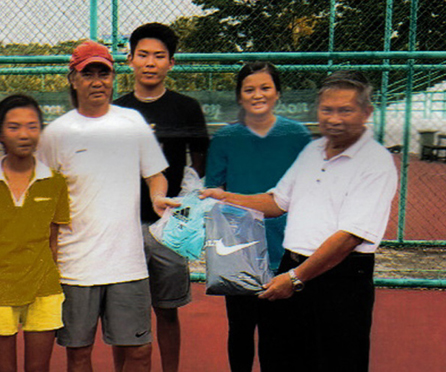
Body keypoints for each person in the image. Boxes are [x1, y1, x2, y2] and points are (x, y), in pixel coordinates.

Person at [201, 70, 398, 372]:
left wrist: (295, 278)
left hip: (339, 280)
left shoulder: (376, 161)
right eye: (327, 109)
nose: (334, 118)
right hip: (294, 273)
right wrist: (223, 197)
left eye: (345, 110)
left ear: (366, 112)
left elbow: (349, 237)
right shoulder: (312, 150)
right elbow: (276, 202)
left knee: (335, 362)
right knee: (282, 361)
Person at [37, 40, 178, 372]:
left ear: (114, 77)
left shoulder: (132, 123)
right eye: (88, 74)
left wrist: (158, 198)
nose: (97, 81)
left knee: (140, 352)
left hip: (128, 264)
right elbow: (45, 205)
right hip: (74, 267)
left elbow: (156, 176)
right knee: (79, 354)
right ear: (73, 79)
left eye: (104, 73)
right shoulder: (56, 134)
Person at [114, 23, 209, 372]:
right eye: (143, 55)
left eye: (159, 56)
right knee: (124, 315)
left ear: (171, 62)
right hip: (125, 228)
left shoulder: (186, 109)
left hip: (168, 228)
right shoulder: (116, 110)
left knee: (167, 311)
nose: (150, 63)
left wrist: (185, 214)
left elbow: (199, 164)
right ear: (130, 60)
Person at [204, 62, 310, 372]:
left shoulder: (297, 134)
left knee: (278, 334)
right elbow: (215, 189)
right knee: (240, 328)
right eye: (249, 89)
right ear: (239, 96)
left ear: (278, 93)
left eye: (265, 87)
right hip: (240, 252)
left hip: (286, 248)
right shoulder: (226, 138)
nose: (257, 95)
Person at [0, 94, 70, 372]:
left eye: (32, 126)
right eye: (14, 127)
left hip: (43, 290)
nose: (24, 134)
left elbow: (53, 241)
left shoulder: (55, 182)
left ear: (41, 130)